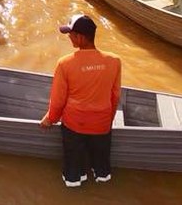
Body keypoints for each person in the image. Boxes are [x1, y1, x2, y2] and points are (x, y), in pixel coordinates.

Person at [40, 15, 122, 187]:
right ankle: (102, 176)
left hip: (75, 125)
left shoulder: (65, 64)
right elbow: (115, 96)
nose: (69, 37)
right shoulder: (114, 61)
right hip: (102, 124)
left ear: (81, 37)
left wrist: (50, 118)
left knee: (73, 161)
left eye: (71, 34)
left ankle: (74, 181)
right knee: (101, 159)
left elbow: (58, 100)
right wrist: (108, 119)